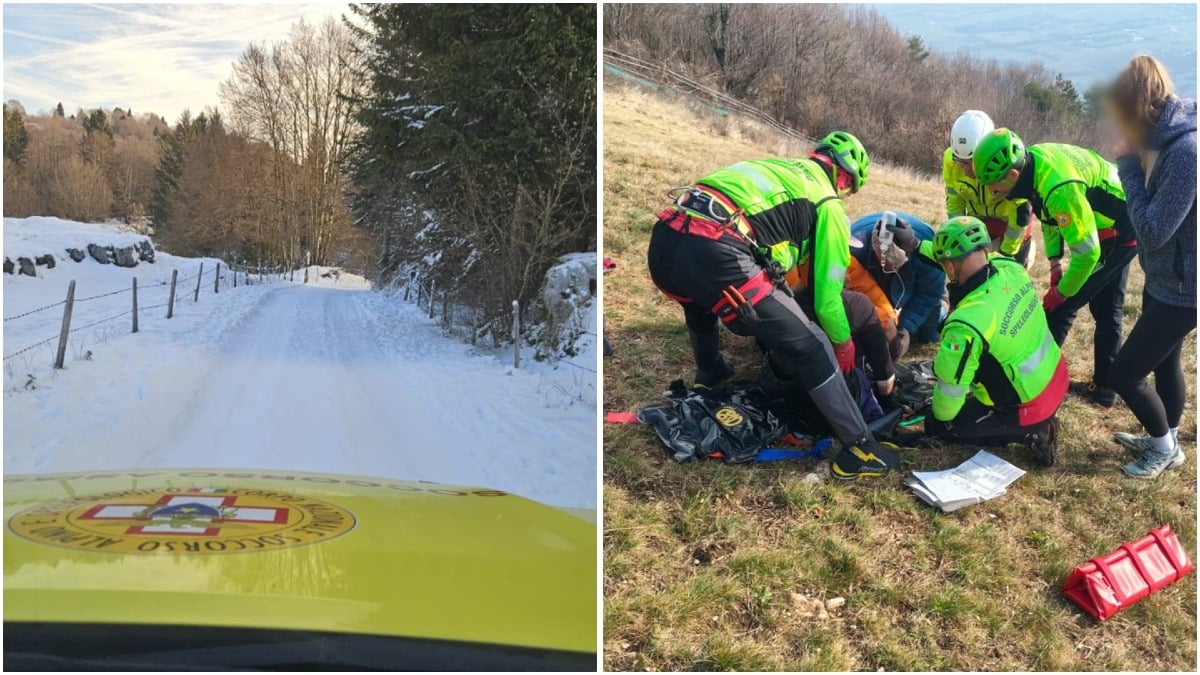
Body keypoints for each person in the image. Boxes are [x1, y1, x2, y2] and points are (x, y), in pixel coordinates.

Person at [646, 131, 901, 479]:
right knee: (813, 346)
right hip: (717, 250)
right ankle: (859, 446)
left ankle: (710, 372)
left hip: (665, 242)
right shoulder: (827, 202)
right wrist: (841, 345)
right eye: (849, 190)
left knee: (699, 301)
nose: (845, 196)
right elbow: (827, 301)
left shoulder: (778, 169)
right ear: (844, 178)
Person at [973, 128, 1136, 408]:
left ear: (1012, 175)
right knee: (1107, 309)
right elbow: (1049, 217)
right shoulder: (1033, 163)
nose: (992, 191)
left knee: (1061, 309)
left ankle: (1036, 382)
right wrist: (1054, 262)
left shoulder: (1058, 187)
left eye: (993, 184)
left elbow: (1087, 253)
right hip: (1106, 224)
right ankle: (1105, 389)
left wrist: (1062, 293)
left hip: (1119, 231)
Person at [1103, 56, 1197, 478]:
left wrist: (1126, 167)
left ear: (1144, 107)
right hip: (1166, 278)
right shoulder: (1161, 141)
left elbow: (1154, 229)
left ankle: (1165, 450)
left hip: (1184, 289)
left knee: (1123, 374)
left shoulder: (1185, 153)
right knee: (1165, 363)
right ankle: (1167, 435)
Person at [924, 216, 1068, 465]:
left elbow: (946, 405)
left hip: (1031, 407)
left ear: (949, 265)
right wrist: (916, 246)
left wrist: (936, 417)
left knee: (939, 427)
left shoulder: (966, 323)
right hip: (1057, 376)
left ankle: (1032, 433)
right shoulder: (1011, 268)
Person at [942, 110, 1036, 267]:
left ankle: (1026, 253)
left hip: (1010, 222)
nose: (965, 170)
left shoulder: (1008, 164)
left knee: (1010, 270)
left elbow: (1019, 215)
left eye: (971, 163)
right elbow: (954, 203)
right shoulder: (950, 161)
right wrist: (958, 235)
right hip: (977, 220)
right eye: (961, 162)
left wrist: (1006, 254)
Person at [848, 211, 947, 350]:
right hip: (868, 257)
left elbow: (927, 295)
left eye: (894, 266)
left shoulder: (928, 255)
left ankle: (944, 303)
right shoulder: (856, 249)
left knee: (927, 334)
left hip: (925, 282)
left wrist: (905, 328)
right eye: (883, 264)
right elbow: (858, 289)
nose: (887, 269)